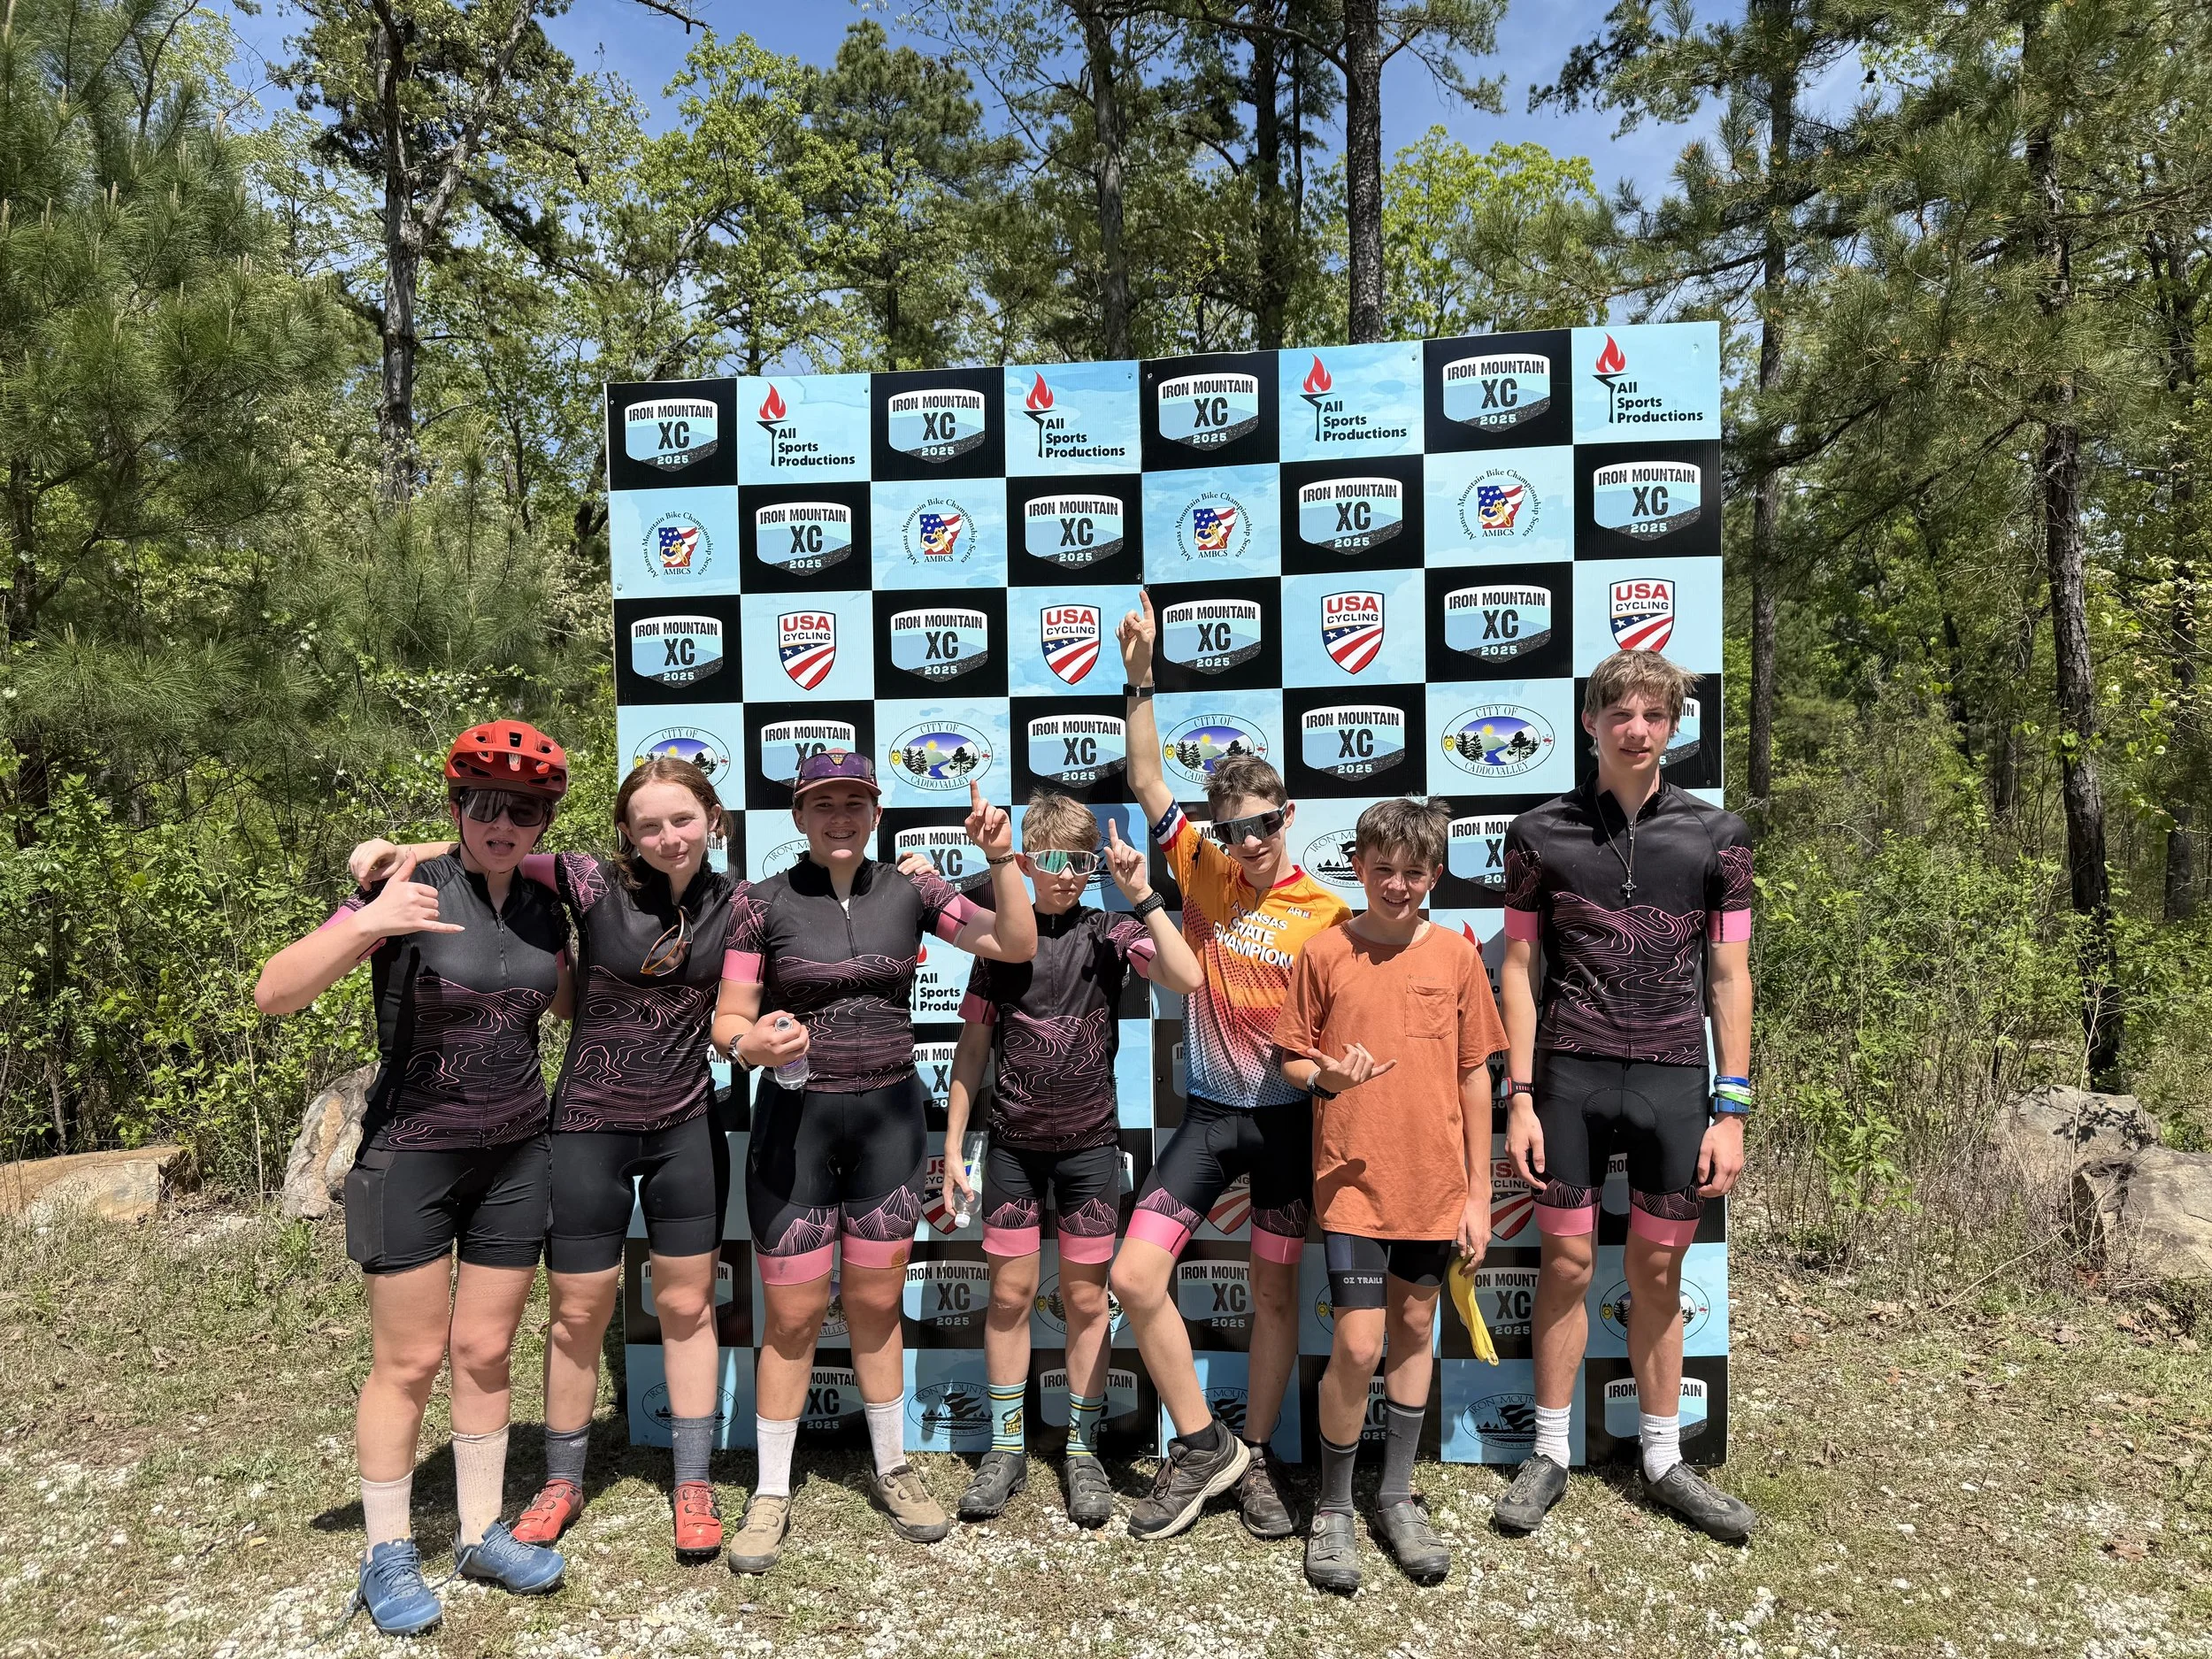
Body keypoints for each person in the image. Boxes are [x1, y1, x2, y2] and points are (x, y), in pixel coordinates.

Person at [349, 755, 750, 1563]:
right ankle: (561, 1477)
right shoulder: (587, 879)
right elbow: (483, 846)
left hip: (684, 1127)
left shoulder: (742, 905)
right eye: (648, 824)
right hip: (586, 1126)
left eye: (683, 818)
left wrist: (753, 1038)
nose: (667, 836)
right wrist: (390, 853)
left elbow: (735, 1007)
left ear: (714, 817)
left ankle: (694, 1480)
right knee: (576, 1313)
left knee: (689, 1306)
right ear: (626, 834)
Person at [253, 720, 575, 1636]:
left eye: (523, 809)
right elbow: (275, 993)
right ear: (454, 805)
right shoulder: (402, 889)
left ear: (544, 820)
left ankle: (478, 1533)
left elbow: (576, 992)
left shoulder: (548, 905)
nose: (501, 823)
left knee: (482, 1352)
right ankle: (386, 1551)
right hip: (412, 1154)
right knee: (408, 1361)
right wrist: (368, 920)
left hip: (518, 1153)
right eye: (482, 804)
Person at [712, 751, 1036, 1572]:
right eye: (823, 804)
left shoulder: (913, 892)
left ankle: (892, 1467)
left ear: (876, 809)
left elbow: (1012, 940)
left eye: (855, 802)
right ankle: (772, 1489)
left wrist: (1001, 859)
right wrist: (746, 1044)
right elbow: (729, 1016)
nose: (840, 818)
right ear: (798, 816)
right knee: (789, 1318)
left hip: (891, 1126)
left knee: (874, 1303)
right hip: (794, 1128)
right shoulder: (762, 902)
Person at [1492, 649, 1756, 1541]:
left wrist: (1733, 1107)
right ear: (1590, 723)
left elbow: (1729, 975)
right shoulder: (1538, 835)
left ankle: (1661, 1459)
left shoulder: (1718, 836)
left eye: (1654, 715)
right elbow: (1519, 969)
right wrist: (1520, 1096)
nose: (1636, 729)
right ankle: (1548, 1455)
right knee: (1564, 1268)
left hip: (1676, 1080)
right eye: (1620, 714)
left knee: (1656, 1271)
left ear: (1675, 727)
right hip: (1569, 1075)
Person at [1108, 592, 1351, 1542]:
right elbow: (1143, 777)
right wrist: (1139, 674)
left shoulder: (1328, 914)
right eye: (1233, 829)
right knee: (1135, 1276)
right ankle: (1207, 1446)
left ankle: (1249, 1456)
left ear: (1288, 818)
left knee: (1277, 1295)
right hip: (1210, 1115)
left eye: (1263, 825)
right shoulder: (1202, 875)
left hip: (1290, 1125)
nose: (1248, 844)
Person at [930, 793, 1204, 1529]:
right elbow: (972, 1053)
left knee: (1087, 1302)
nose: (1066, 875)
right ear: (1022, 860)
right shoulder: (999, 940)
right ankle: (1008, 1446)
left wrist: (1143, 894)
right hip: (1014, 1148)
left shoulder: (1109, 929)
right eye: (1050, 860)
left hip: (1088, 1149)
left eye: (1080, 862)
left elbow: (1187, 978)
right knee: (1012, 1297)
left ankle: (1081, 1449)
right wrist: (955, 1147)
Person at [1273, 797, 1505, 1592]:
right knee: (1360, 1343)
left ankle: (1397, 1493)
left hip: (1436, 1188)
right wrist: (1324, 1077)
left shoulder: (1457, 957)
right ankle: (1335, 1507)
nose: (1398, 885)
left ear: (1435, 874)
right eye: (1383, 870)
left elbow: (1477, 1076)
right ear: (1359, 867)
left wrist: (1478, 1195)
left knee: (1414, 1329)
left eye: (1413, 872)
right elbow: (1292, 1061)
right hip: (1352, 1185)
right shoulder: (1325, 951)